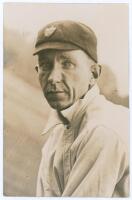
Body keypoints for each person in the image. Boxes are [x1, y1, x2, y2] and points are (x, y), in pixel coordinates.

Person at [33, 20, 129, 197]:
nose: (53, 78)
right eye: (46, 65)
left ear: (93, 74)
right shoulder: (59, 131)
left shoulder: (103, 131)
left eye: (67, 64)